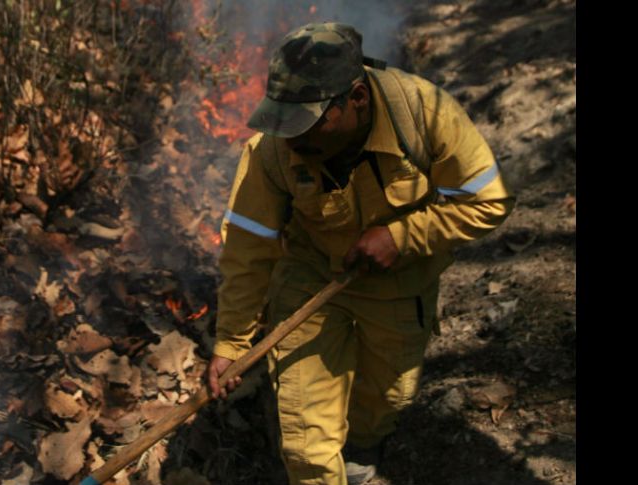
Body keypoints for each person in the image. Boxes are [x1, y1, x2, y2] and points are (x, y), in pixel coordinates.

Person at [205, 22, 514, 485]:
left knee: (388, 397)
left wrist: (404, 235)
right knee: (306, 436)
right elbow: (248, 247)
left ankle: (363, 446)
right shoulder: (271, 152)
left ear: (356, 98)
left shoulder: (425, 114)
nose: (293, 139)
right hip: (309, 277)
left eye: (307, 122)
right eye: (284, 122)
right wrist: (231, 342)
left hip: (399, 283)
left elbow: (488, 202)